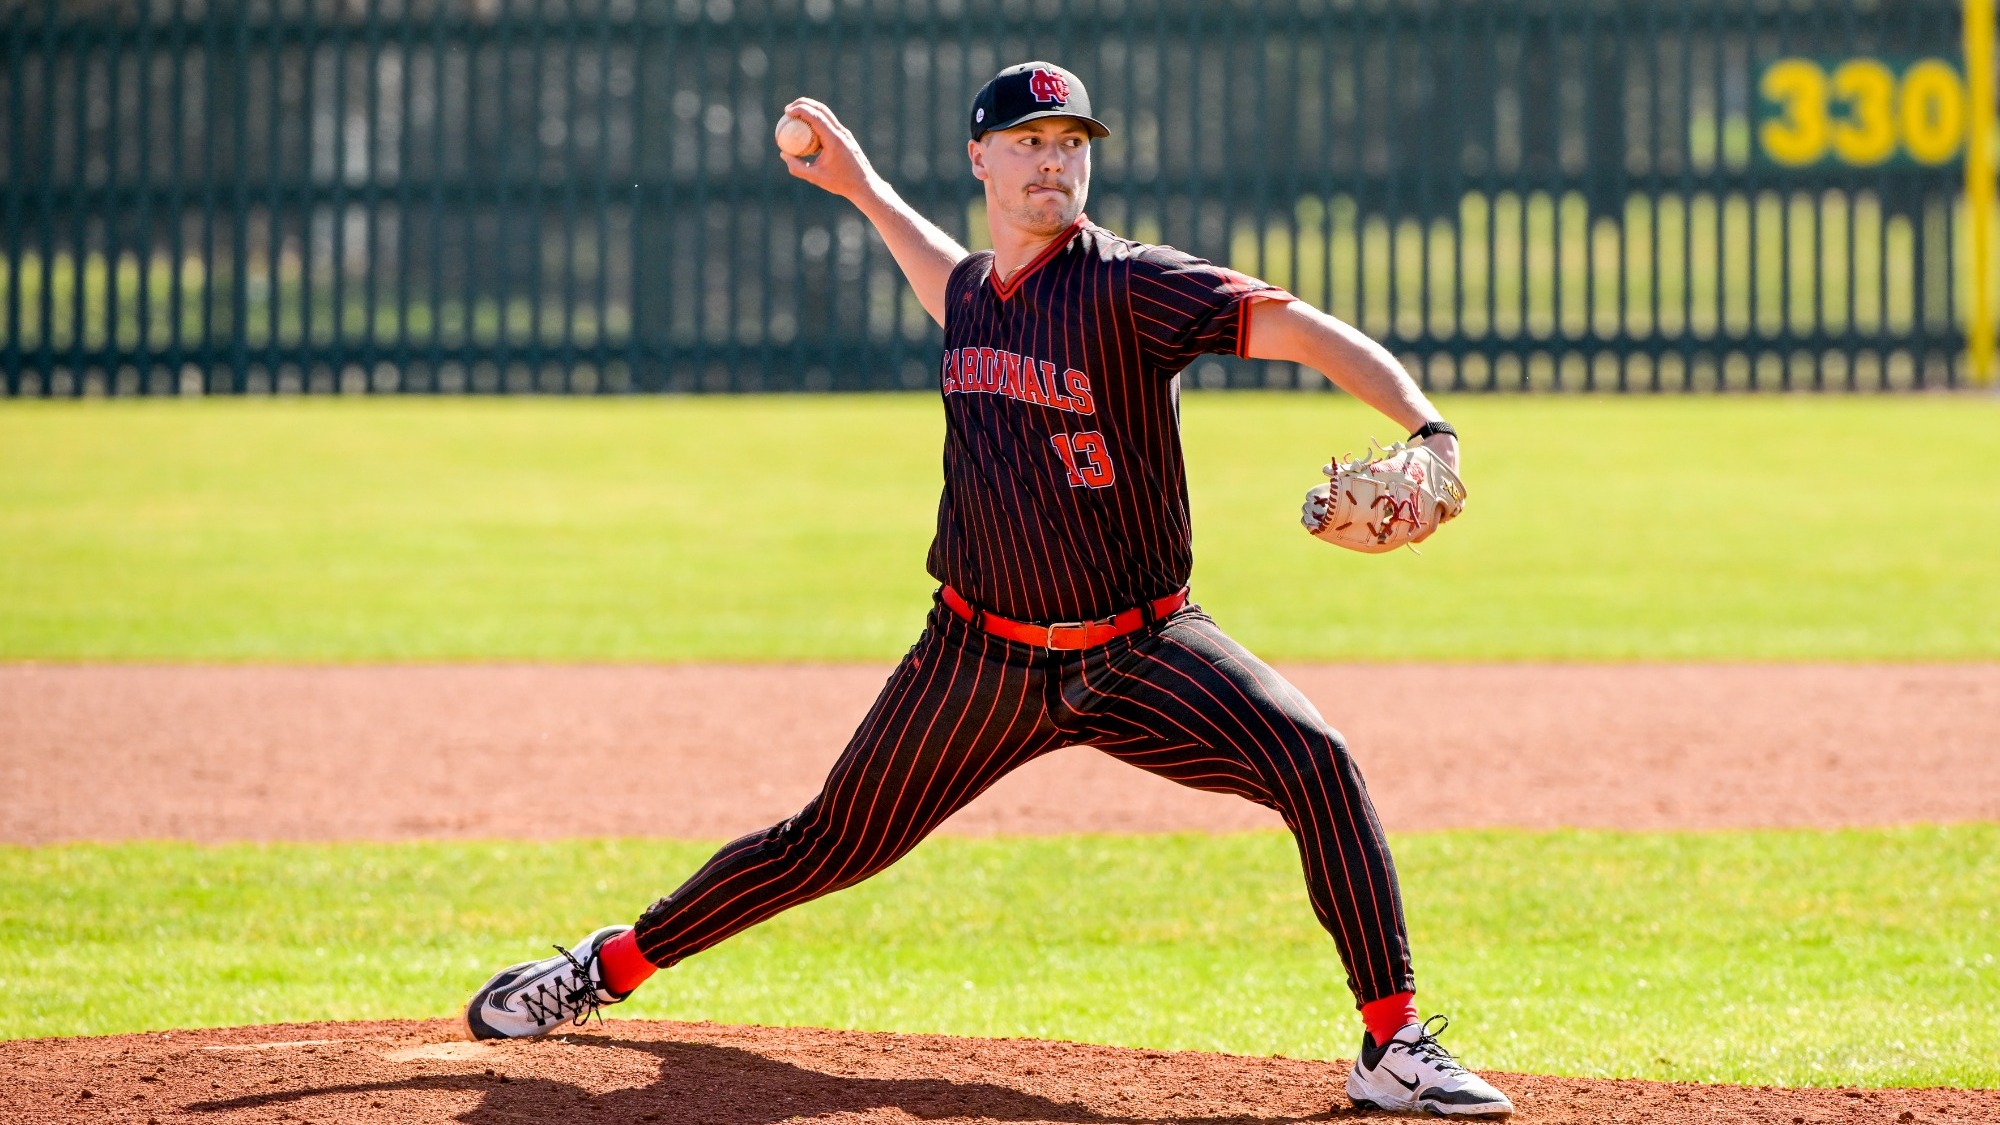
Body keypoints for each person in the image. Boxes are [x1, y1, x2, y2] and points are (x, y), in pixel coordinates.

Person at [462, 62, 1512, 1119]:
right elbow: (943, 272)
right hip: (975, 661)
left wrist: (1428, 430)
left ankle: (1392, 1042)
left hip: (1139, 649)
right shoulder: (973, 294)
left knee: (1316, 762)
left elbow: (1302, 328)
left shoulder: (1132, 285)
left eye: (1070, 144)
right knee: (823, 843)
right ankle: (607, 966)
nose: (1053, 162)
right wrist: (862, 186)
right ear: (981, 159)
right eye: (1028, 142)